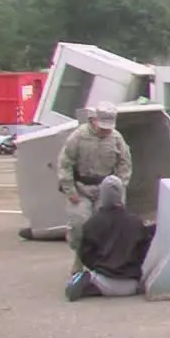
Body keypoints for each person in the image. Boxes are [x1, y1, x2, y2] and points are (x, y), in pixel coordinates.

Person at [58, 102, 133, 276]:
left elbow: (125, 164)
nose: (105, 131)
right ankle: (79, 257)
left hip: (105, 188)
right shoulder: (78, 137)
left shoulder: (116, 138)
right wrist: (70, 190)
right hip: (81, 188)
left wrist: (120, 189)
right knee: (79, 225)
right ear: (93, 120)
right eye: (102, 127)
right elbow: (65, 163)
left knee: (107, 227)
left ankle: (103, 263)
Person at [65, 176, 154, 302]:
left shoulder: (92, 223)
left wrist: (98, 265)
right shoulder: (136, 222)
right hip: (131, 285)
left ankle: (85, 282)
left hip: (103, 280)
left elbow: (85, 255)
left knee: (87, 276)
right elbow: (144, 252)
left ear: (103, 195)